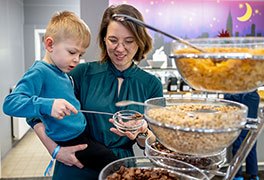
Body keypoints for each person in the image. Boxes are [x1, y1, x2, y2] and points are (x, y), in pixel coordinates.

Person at [25, 4, 163, 180]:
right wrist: (55, 150)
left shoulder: (151, 84)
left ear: (140, 41)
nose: (120, 49)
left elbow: (155, 143)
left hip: (121, 169)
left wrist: (142, 132)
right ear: (104, 39)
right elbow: (34, 114)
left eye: (129, 41)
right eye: (113, 40)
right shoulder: (80, 74)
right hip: (76, 164)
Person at [2, 10, 118, 173]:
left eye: (80, 54)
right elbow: (10, 104)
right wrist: (48, 105)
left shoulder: (62, 72)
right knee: (113, 164)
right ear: (50, 45)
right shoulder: (39, 72)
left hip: (82, 132)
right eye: (72, 52)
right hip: (70, 139)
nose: (77, 59)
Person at [224, 90, 260, 180]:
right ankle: (253, 174)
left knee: (239, 137)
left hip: (238, 95)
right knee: (250, 137)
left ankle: (237, 174)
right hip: (251, 95)